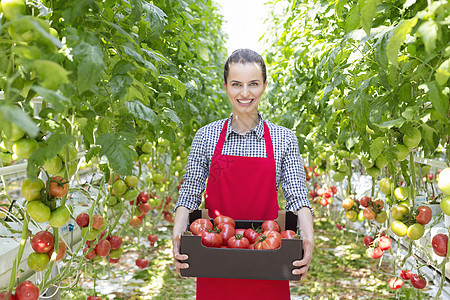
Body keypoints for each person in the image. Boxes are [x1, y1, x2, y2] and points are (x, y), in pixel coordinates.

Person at [172, 48, 314, 299]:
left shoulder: (283, 139)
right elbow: (189, 193)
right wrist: (177, 234)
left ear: (265, 85)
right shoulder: (207, 136)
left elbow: (297, 196)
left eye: (254, 84)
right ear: (225, 85)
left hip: (269, 260)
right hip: (214, 260)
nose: (245, 93)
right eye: (237, 84)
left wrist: (308, 237)